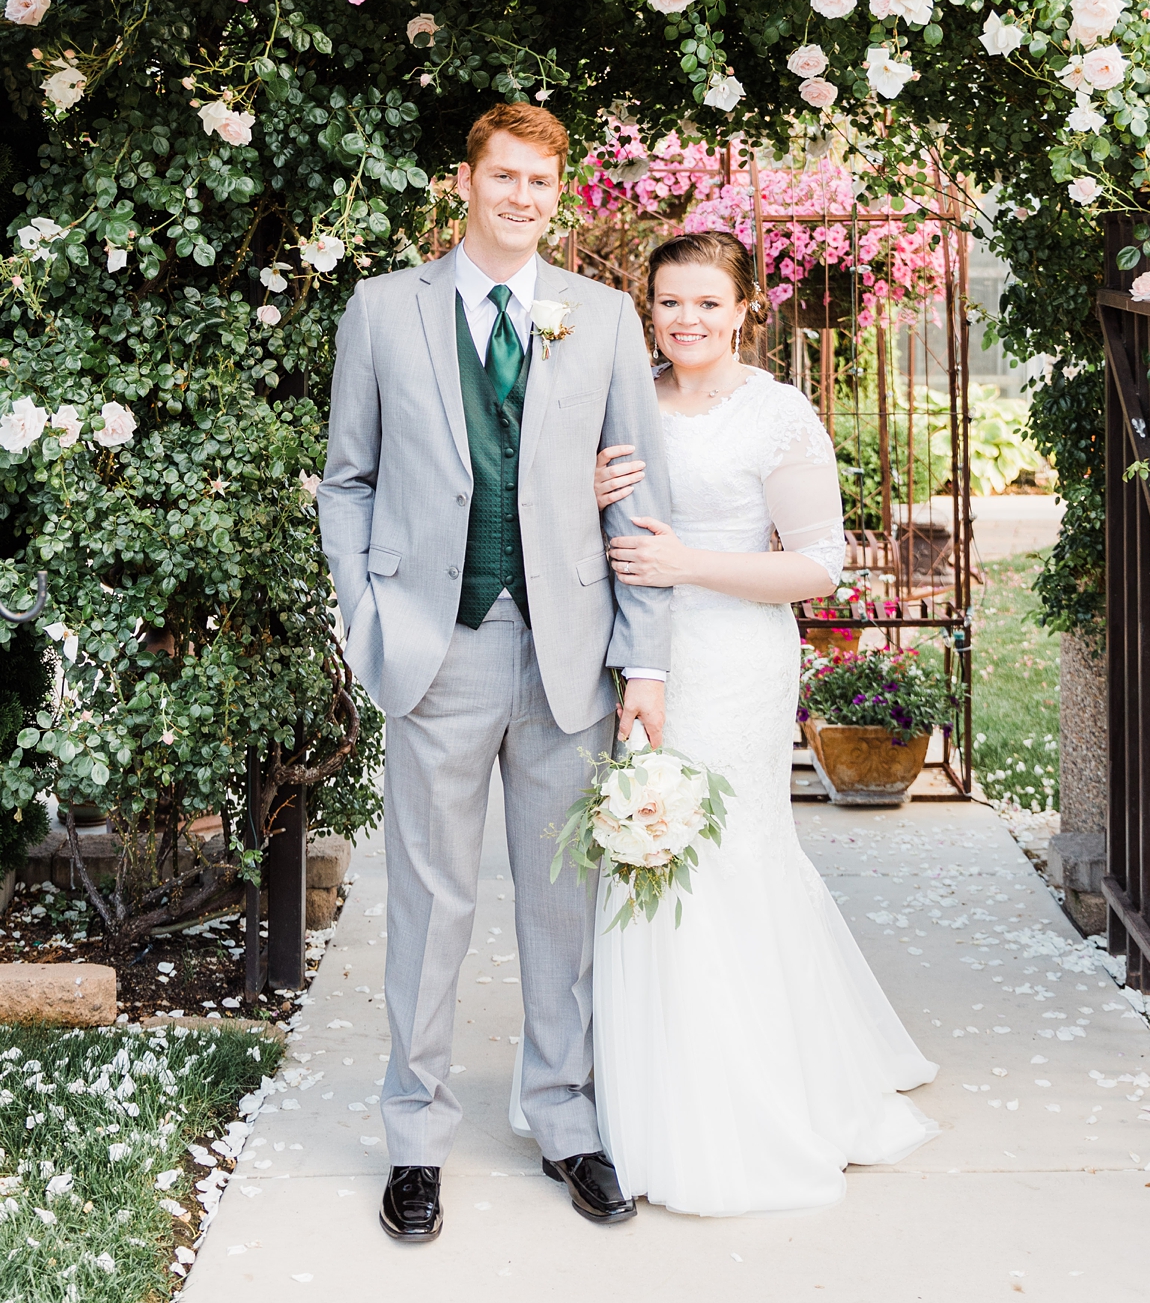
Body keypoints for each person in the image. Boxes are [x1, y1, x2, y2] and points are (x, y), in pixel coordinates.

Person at [318, 102, 672, 1243]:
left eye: (543, 183)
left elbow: (638, 501)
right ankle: (416, 1139)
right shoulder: (383, 311)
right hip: (439, 648)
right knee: (429, 901)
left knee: (562, 904)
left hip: (566, 654)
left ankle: (565, 1120)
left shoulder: (604, 318)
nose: (524, 198)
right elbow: (348, 479)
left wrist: (641, 654)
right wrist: (370, 614)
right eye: (505, 177)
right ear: (464, 181)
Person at [589, 229, 939, 1216]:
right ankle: (643, 1090)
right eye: (668, 302)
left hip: (736, 656)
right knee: (641, 853)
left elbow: (818, 568)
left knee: (728, 854)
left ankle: (746, 1093)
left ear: (746, 308)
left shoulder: (779, 416)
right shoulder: (624, 408)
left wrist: (689, 562)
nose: (686, 320)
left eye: (706, 302)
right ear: (646, 306)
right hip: (643, 659)